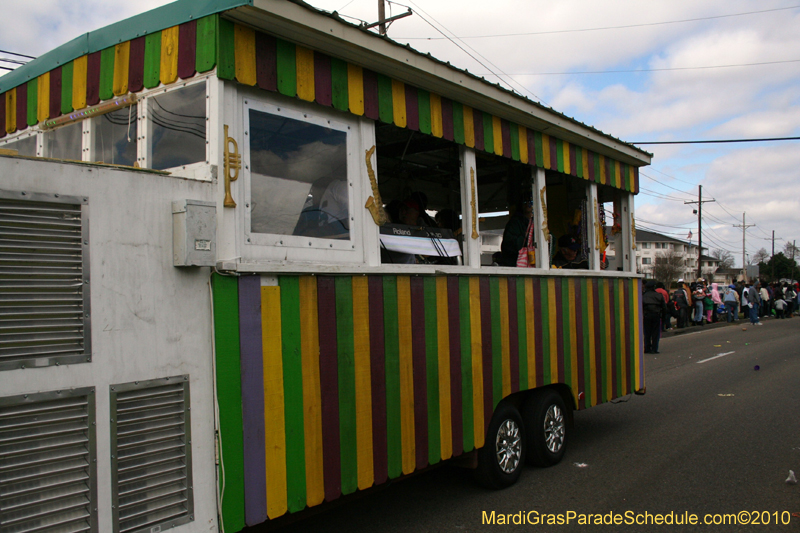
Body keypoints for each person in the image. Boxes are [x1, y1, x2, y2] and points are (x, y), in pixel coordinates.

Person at [499, 199, 534, 267]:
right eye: (525, 202)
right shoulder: (515, 223)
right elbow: (508, 244)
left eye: (531, 202)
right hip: (516, 265)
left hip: (534, 264)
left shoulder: (538, 222)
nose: (528, 204)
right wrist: (526, 240)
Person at [642, 281, 666, 354]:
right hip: (656, 315)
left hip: (646, 315)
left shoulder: (643, 296)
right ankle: (654, 348)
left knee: (647, 332)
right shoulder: (659, 295)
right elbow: (664, 307)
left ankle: (647, 348)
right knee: (655, 332)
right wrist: (663, 316)